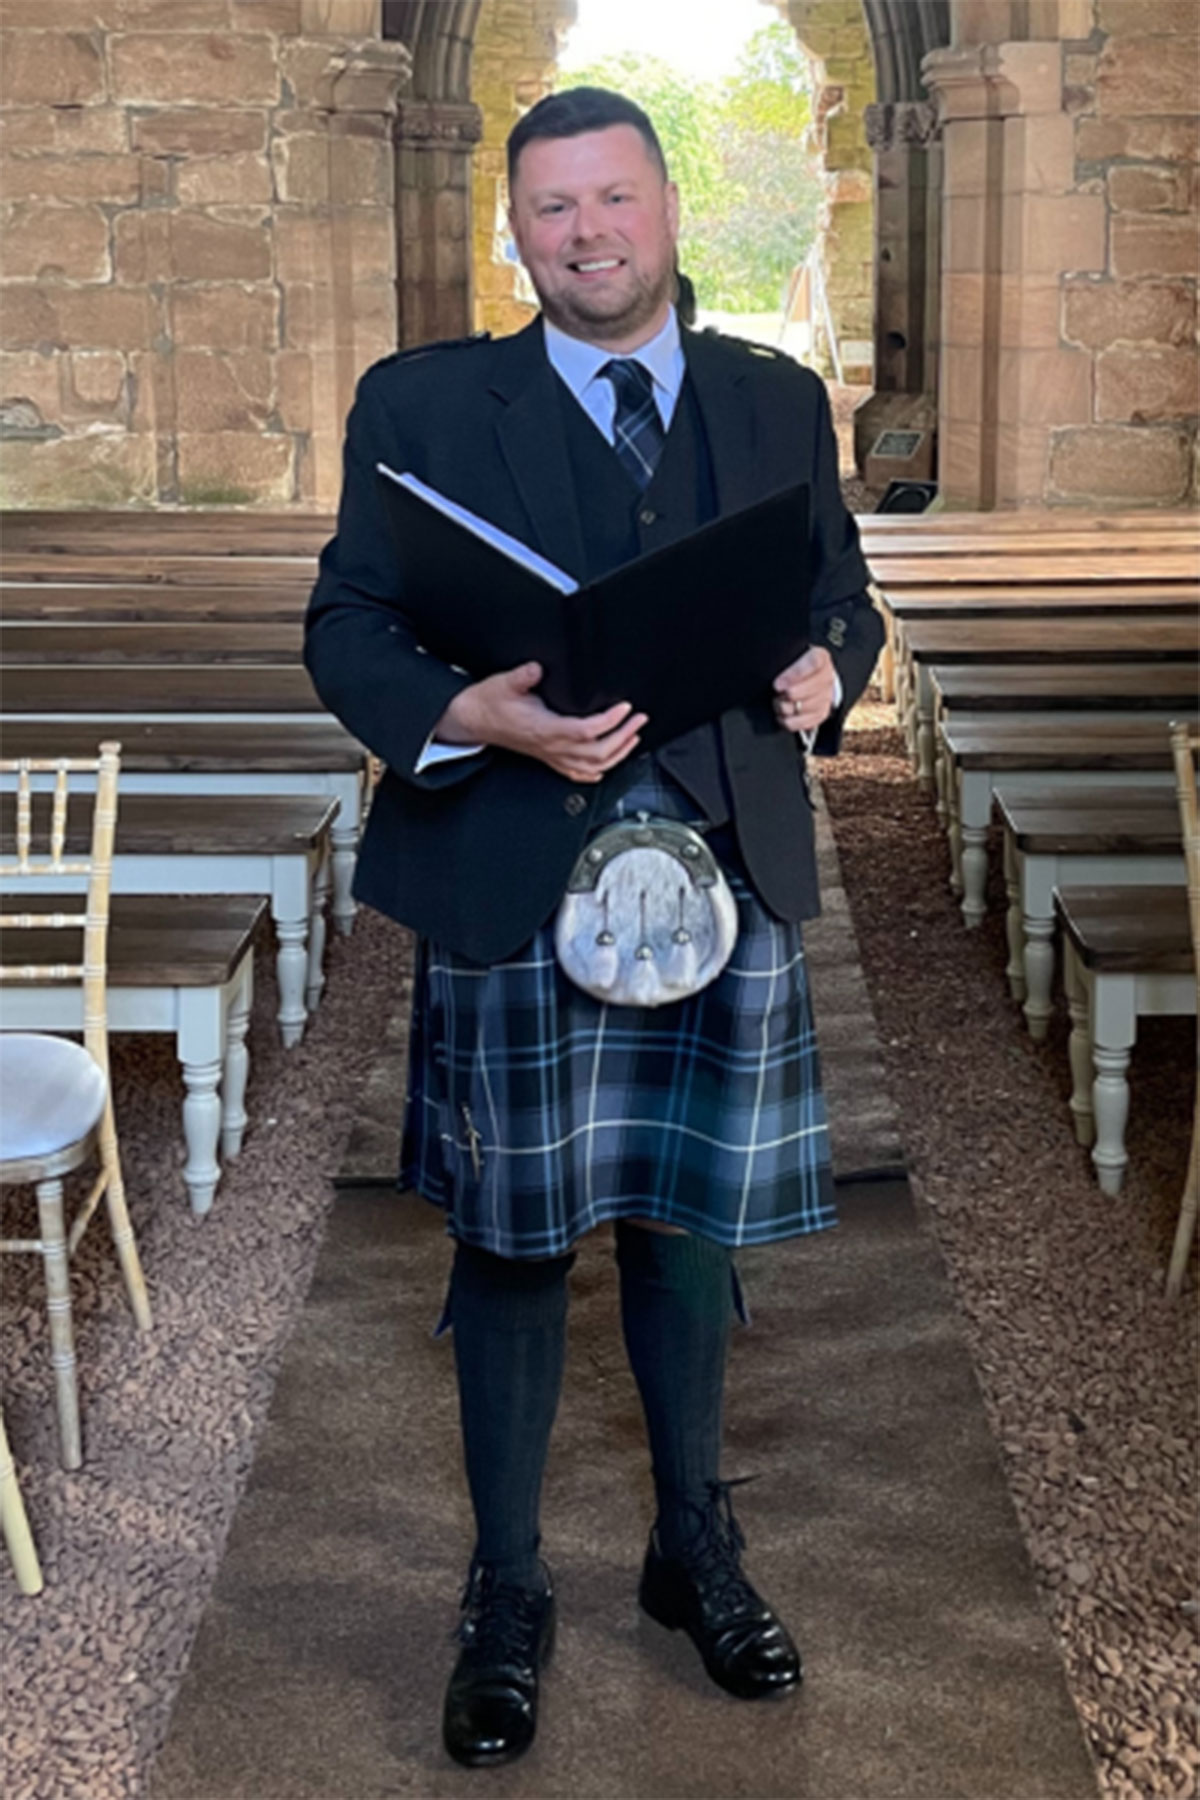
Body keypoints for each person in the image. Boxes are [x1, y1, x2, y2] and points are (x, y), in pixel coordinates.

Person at [305, 86, 883, 1769]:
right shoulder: (420, 400)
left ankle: (690, 1542)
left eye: (613, 199)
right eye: (551, 210)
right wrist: (469, 713)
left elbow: (839, 586)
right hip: (510, 857)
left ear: (670, 208)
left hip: (723, 858)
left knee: (688, 1236)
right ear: (516, 229)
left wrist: (833, 663)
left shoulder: (777, 401)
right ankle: (506, 1584)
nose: (587, 234)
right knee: (509, 1241)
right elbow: (349, 619)